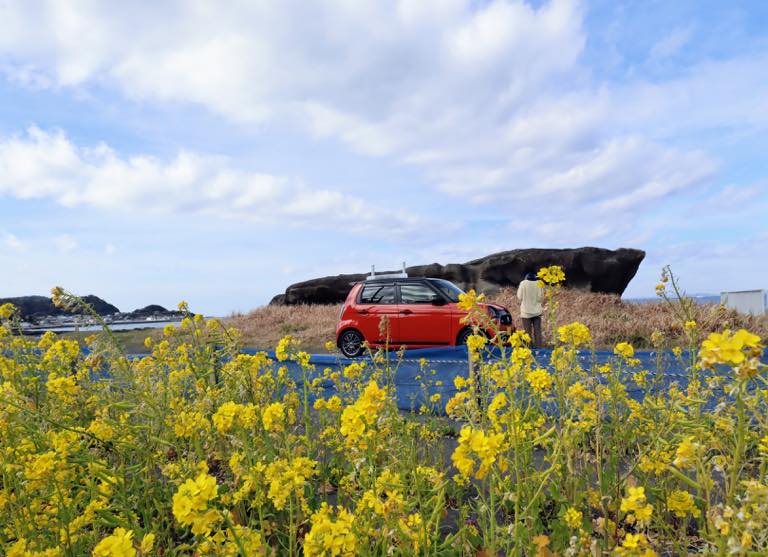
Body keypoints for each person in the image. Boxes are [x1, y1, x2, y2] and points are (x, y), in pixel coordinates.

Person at [517, 271, 543, 348]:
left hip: (526, 312)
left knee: (527, 332)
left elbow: (519, 297)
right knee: (537, 331)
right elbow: (540, 298)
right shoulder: (539, 283)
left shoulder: (523, 283)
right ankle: (539, 349)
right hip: (537, 312)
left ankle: (529, 350)